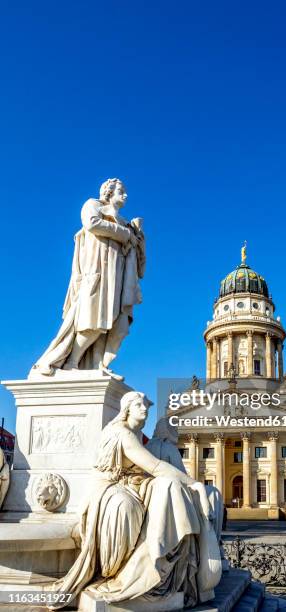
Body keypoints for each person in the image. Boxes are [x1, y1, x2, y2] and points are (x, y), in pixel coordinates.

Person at [48, 391, 221, 609]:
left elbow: (148, 472)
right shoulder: (122, 433)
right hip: (109, 489)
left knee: (168, 488)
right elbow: (155, 467)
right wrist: (194, 484)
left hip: (132, 484)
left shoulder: (138, 435)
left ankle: (163, 562)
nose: (145, 409)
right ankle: (145, 567)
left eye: (147, 406)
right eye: (140, 405)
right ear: (127, 408)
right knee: (140, 500)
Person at [31, 179, 145, 380]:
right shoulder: (93, 205)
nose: (125, 195)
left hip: (118, 276)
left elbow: (140, 263)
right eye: (121, 191)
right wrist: (126, 234)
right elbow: (92, 223)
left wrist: (137, 236)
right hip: (98, 271)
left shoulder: (125, 222)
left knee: (113, 323)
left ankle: (96, 364)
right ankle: (73, 362)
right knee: (94, 319)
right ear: (109, 193)